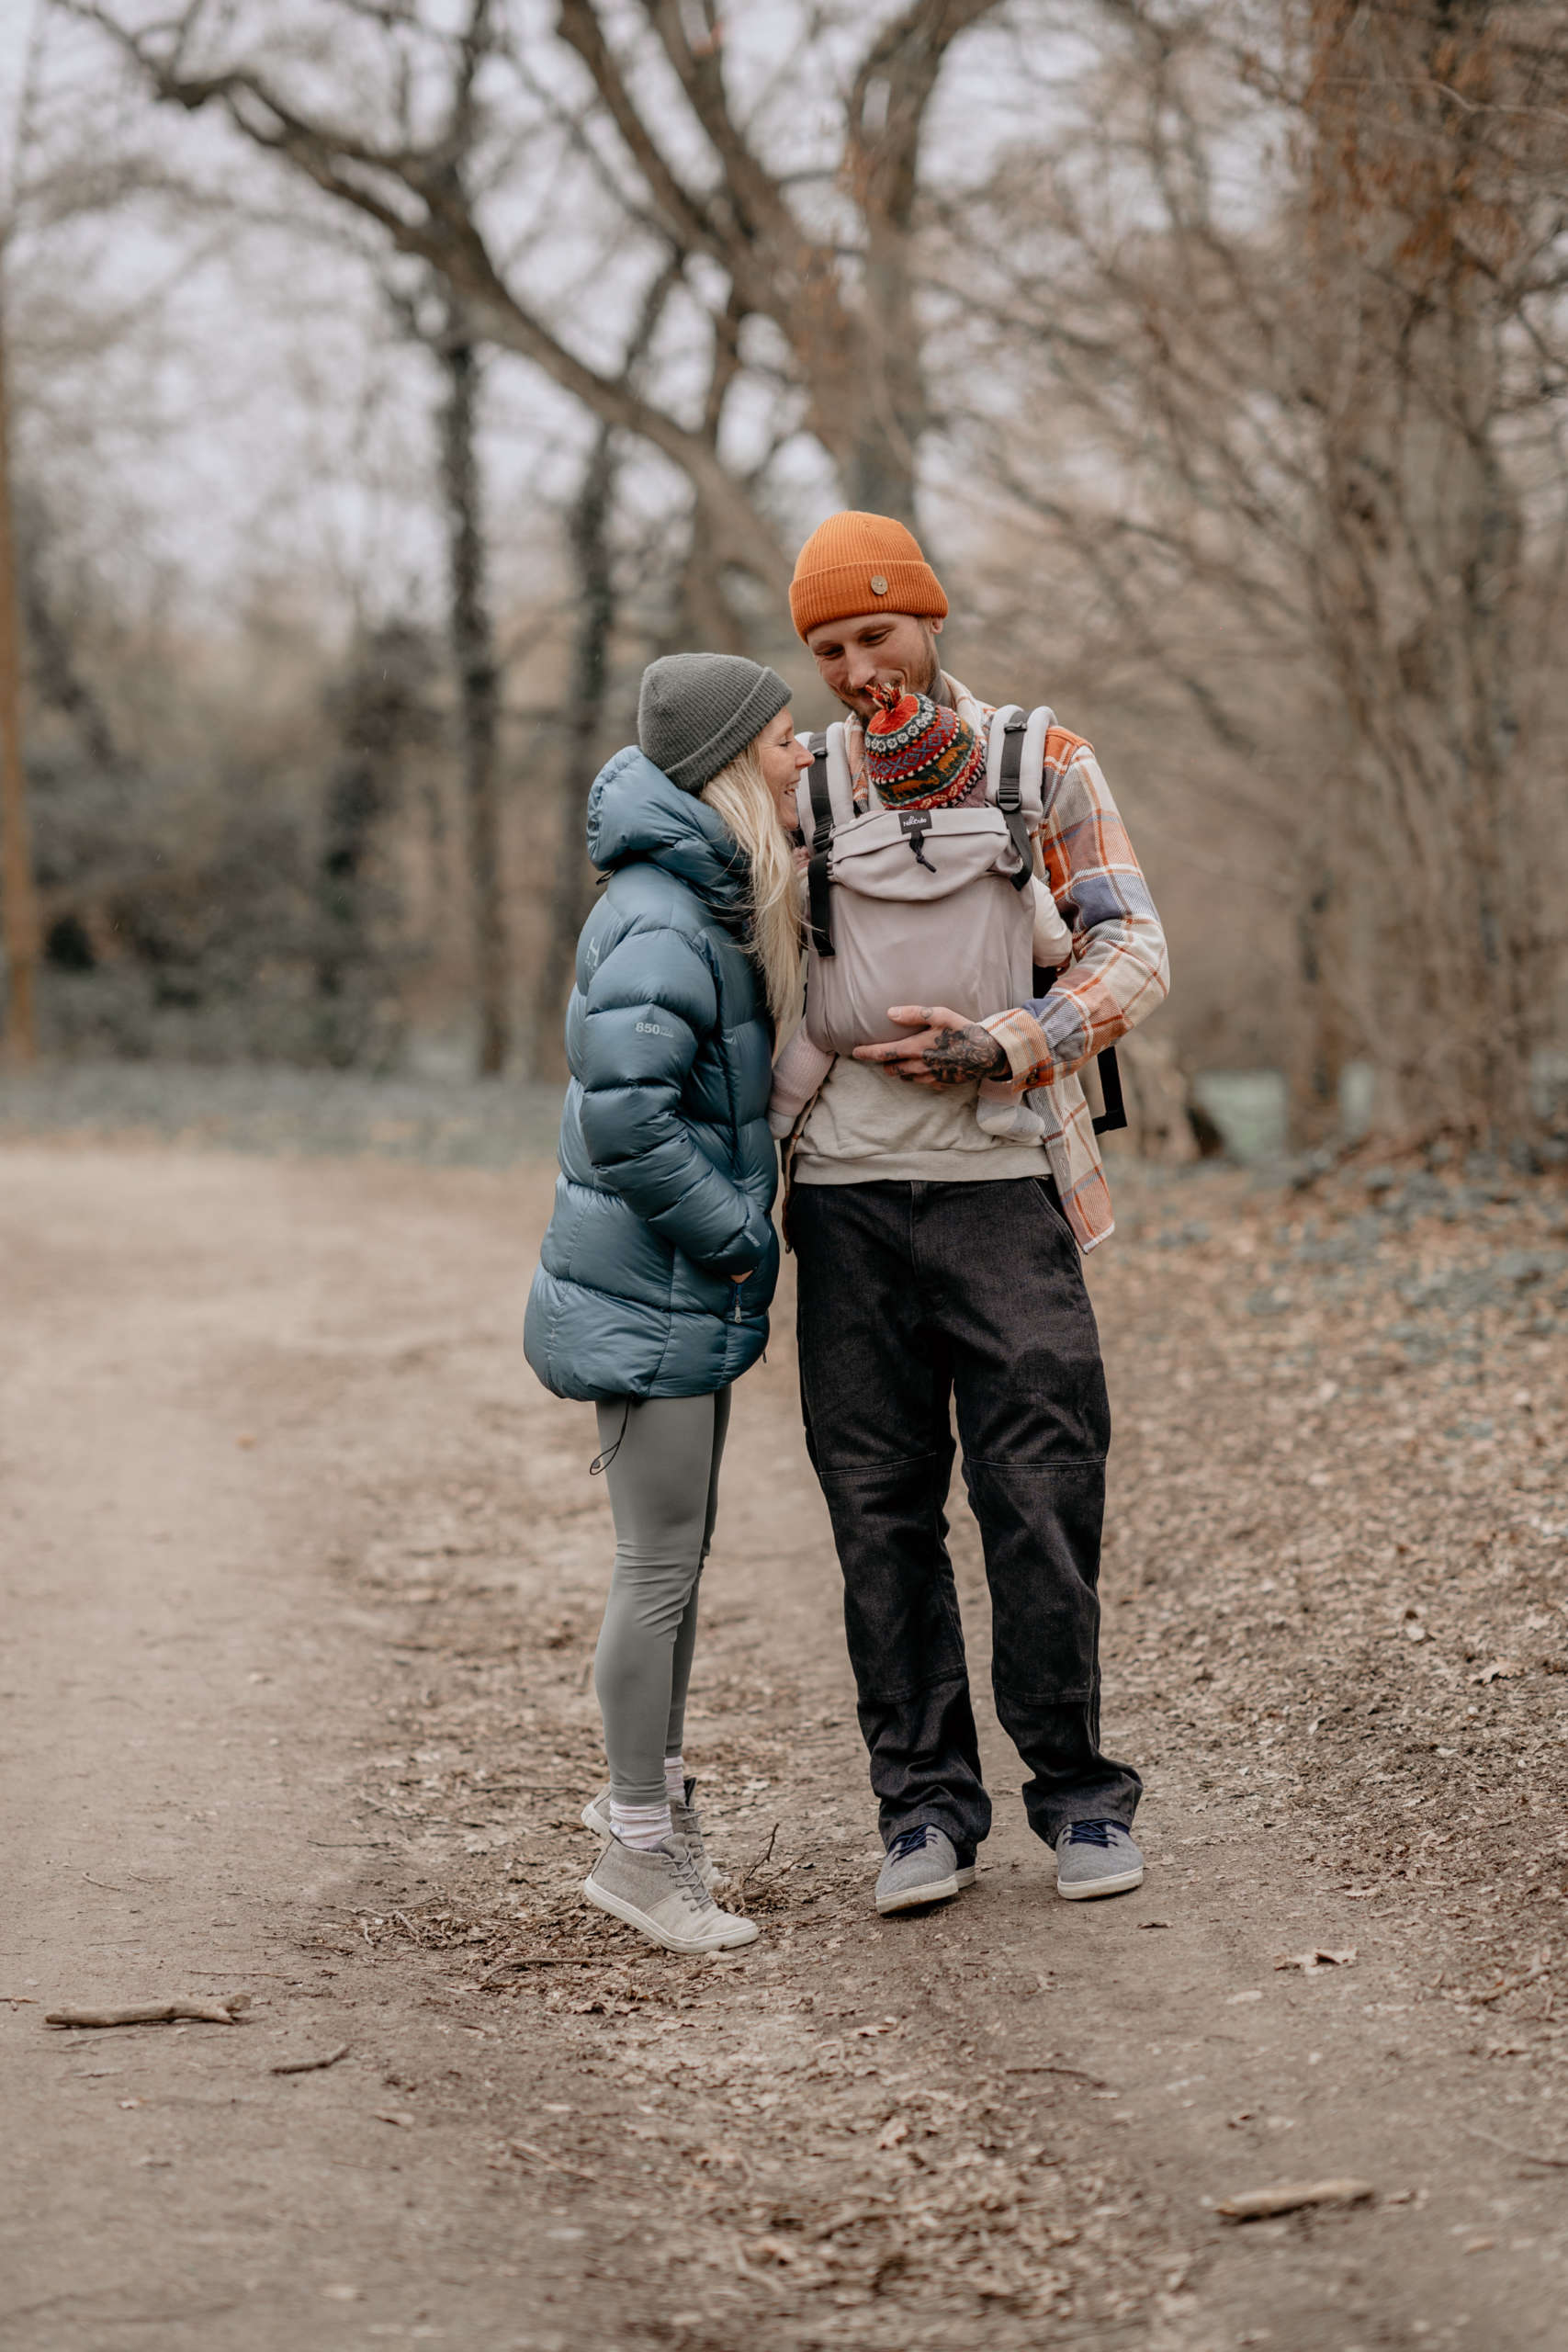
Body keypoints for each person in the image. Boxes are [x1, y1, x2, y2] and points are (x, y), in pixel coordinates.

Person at [780, 511, 1170, 1917]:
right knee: (878, 1510)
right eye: (825, 646)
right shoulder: (803, 785)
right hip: (841, 1202)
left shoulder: (1042, 761)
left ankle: (1078, 1801)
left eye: (874, 632)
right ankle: (922, 1816)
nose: (850, 666)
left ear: (929, 621)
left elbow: (1134, 946)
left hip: (1007, 1190)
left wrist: (1006, 1043)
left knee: (1041, 1492)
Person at [525, 653, 810, 1955]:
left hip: (673, 1290)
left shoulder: (702, 892)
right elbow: (629, 1119)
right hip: (655, 1289)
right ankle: (637, 1852)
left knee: (676, 1569)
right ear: (727, 763)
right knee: (654, 1572)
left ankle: (655, 1814)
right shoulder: (660, 911)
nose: (802, 755)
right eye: (785, 738)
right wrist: (740, 1235)